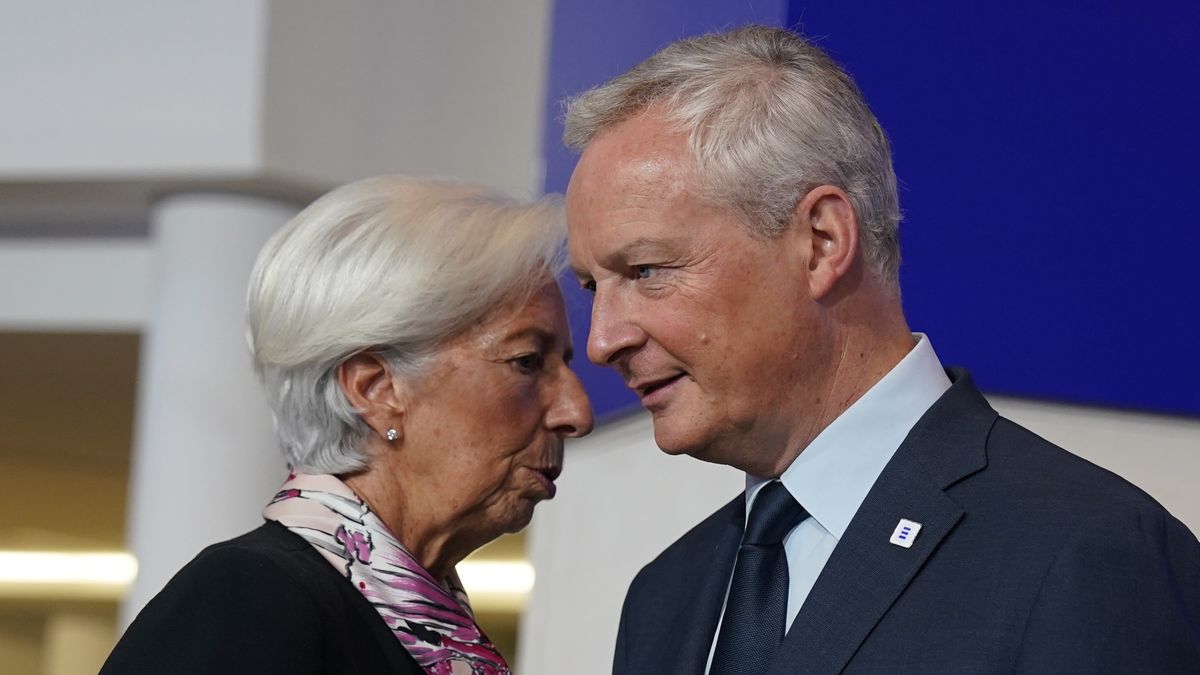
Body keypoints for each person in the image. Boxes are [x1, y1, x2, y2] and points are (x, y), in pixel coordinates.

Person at [563, 25, 1200, 674]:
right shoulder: (665, 595)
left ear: (820, 241)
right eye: (592, 286)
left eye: (644, 270)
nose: (601, 340)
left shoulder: (1086, 550)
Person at [102, 176, 593, 674]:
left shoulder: (417, 621)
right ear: (375, 389)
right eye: (528, 362)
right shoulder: (249, 598)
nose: (577, 411)